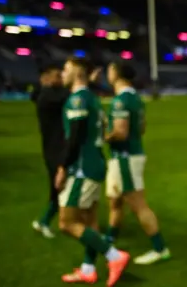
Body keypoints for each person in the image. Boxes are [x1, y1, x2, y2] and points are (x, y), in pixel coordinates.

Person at [56, 57, 130, 286]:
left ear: (78, 73)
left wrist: (62, 167)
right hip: (96, 163)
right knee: (90, 223)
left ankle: (114, 256)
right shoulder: (92, 98)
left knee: (67, 222)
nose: (62, 73)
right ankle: (88, 269)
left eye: (66, 69)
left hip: (83, 167)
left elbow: (75, 137)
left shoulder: (78, 100)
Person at [104, 61, 170, 265]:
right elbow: (141, 128)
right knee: (115, 201)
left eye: (109, 69)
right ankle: (108, 242)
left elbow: (121, 133)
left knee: (138, 204)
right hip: (129, 156)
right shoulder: (135, 98)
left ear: (116, 73)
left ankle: (160, 248)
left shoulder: (120, 101)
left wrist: (102, 137)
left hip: (125, 157)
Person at [31, 65, 70, 238]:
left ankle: (66, 220)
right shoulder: (47, 96)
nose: (61, 80)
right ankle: (44, 221)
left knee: (63, 186)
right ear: (45, 79)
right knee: (58, 187)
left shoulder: (47, 94)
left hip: (55, 147)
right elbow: (65, 97)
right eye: (57, 77)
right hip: (54, 149)